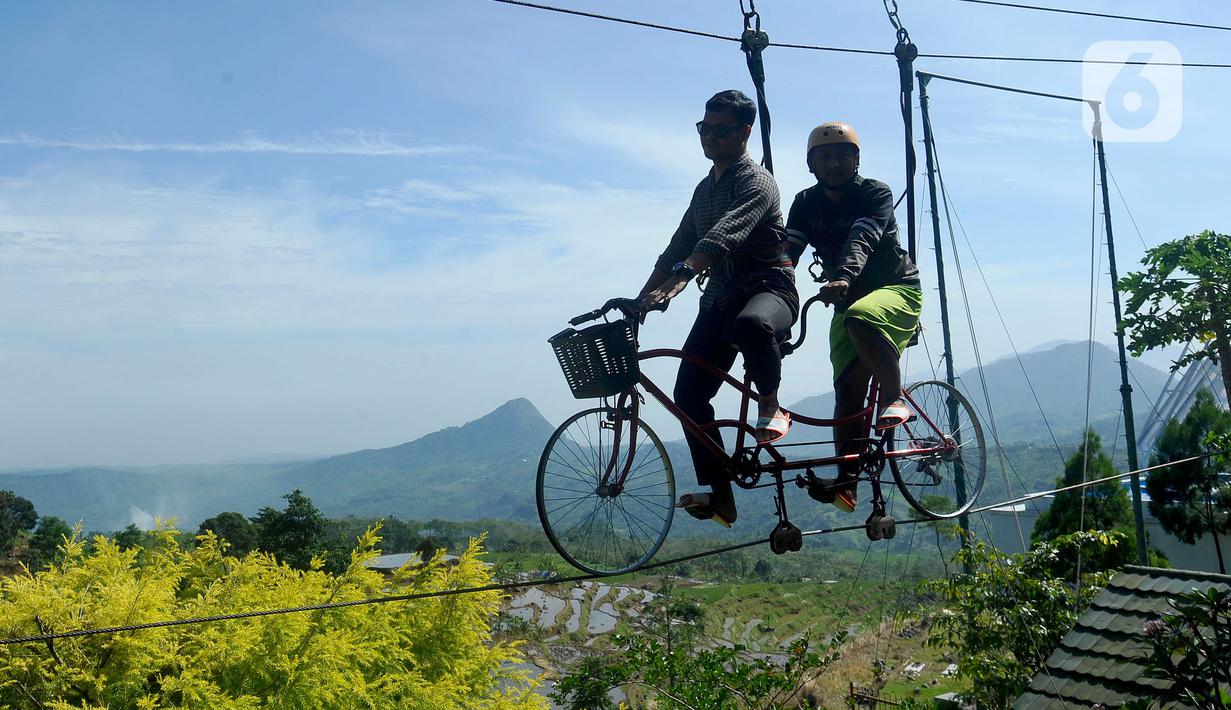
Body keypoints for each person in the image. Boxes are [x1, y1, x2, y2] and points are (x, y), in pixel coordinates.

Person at [639, 89, 797, 528]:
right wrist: (642, 298)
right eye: (704, 128)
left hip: (770, 289)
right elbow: (680, 242)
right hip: (720, 298)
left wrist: (683, 276)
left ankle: (772, 404)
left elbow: (724, 235)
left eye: (720, 131)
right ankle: (720, 495)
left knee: (752, 324)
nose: (709, 137)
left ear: (745, 133)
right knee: (688, 395)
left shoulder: (757, 182)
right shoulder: (704, 188)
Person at [785, 121, 923, 513]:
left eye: (842, 155)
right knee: (847, 391)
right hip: (846, 301)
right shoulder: (805, 202)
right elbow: (786, 251)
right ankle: (848, 484)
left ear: (856, 159)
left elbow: (863, 238)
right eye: (824, 157)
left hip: (895, 288)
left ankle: (895, 398)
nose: (833, 164)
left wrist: (843, 276)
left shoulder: (874, 193)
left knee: (861, 319)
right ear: (811, 164)